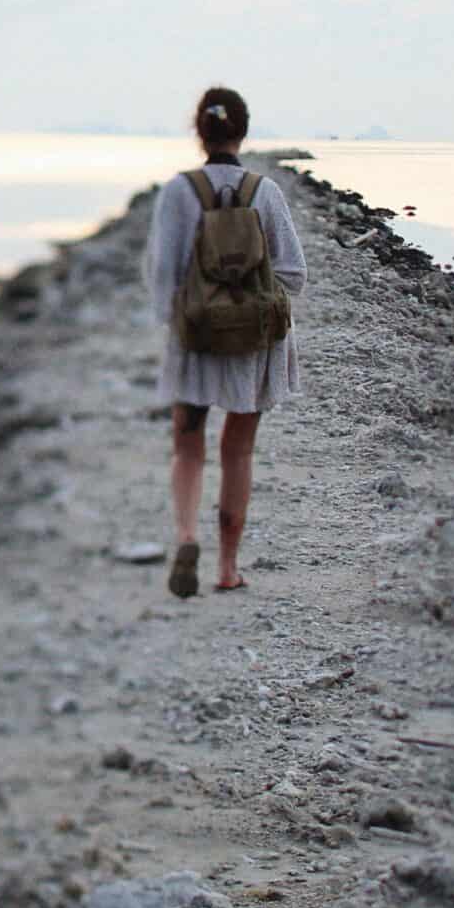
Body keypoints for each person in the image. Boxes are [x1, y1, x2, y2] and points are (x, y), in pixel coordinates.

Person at [141, 85, 307, 598]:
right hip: (252, 345)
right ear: (243, 131)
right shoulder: (266, 192)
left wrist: (186, 319)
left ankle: (187, 537)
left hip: (196, 339)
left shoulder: (178, 192)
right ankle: (227, 568)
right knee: (238, 452)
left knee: (187, 446)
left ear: (200, 131)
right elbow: (294, 274)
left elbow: (163, 276)